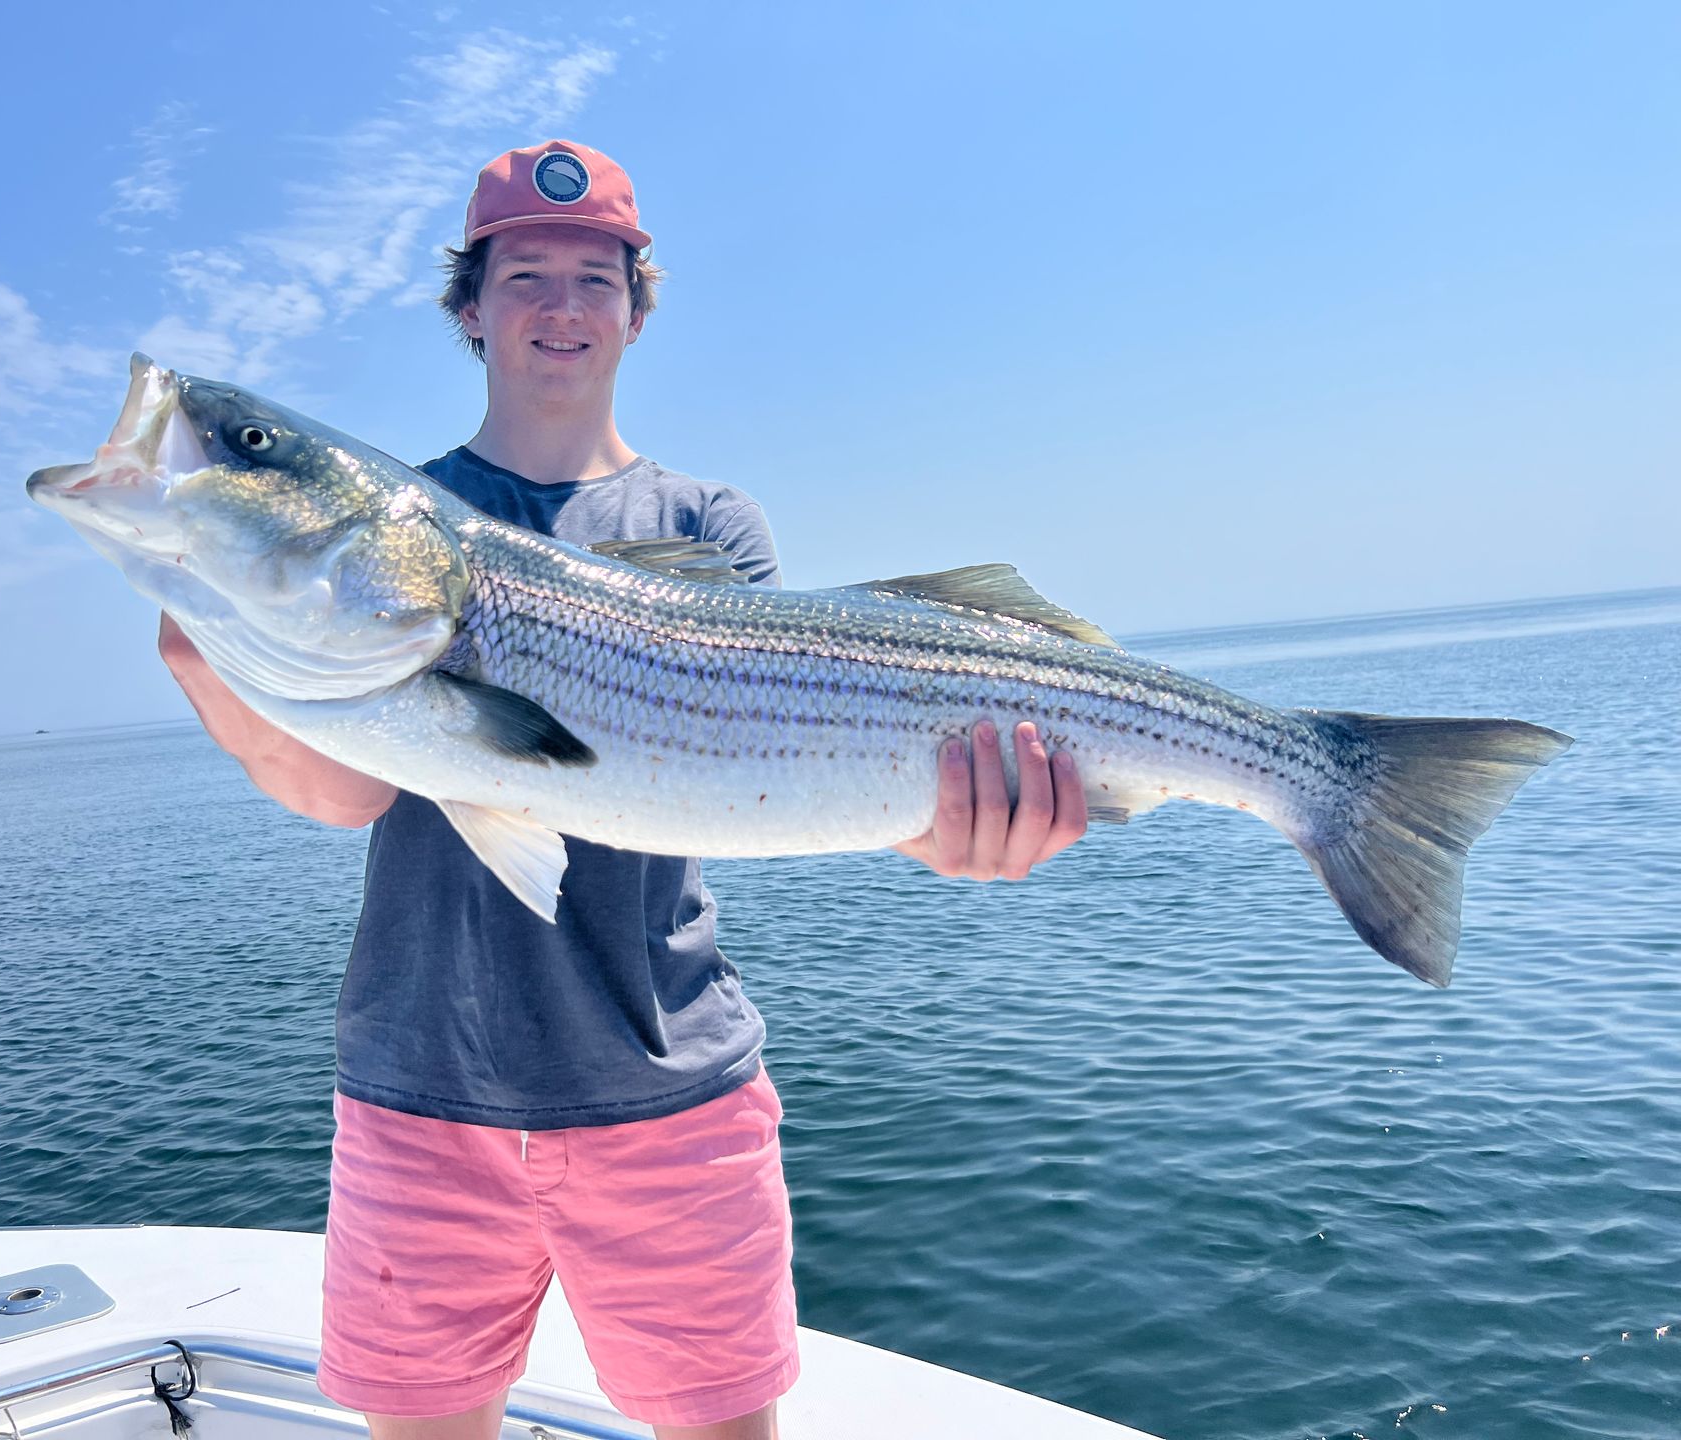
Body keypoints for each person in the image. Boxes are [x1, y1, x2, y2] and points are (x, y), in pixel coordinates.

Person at [157, 140, 1089, 1440]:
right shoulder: (390, 535)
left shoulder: (709, 526)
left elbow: (777, 763)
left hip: (670, 1097)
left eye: (594, 278)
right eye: (522, 274)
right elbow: (345, 796)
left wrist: (960, 836)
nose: (558, 305)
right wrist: (211, 648)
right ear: (469, 306)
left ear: (637, 309)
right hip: (419, 1094)